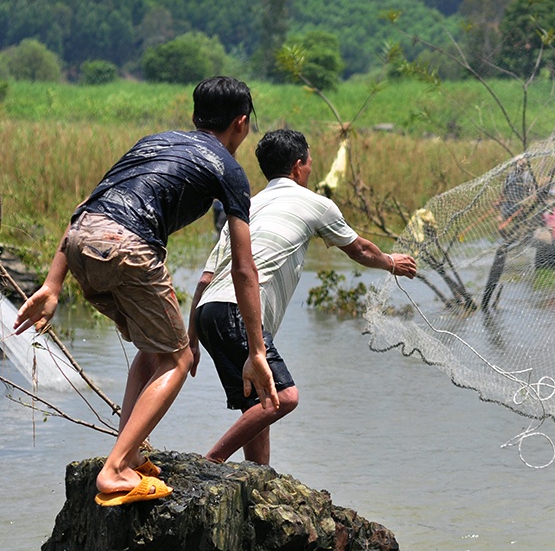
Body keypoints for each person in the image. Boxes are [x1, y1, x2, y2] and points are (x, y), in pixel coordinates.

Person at [13, 76, 277, 506]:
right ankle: (115, 469)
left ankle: (127, 453)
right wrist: (257, 351)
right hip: (128, 247)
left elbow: (89, 205)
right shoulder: (229, 170)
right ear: (242, 124)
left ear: (194, 117)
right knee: (179, 357)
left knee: (154, 351)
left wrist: (52, 283)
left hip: (81, 242)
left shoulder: (152, 141)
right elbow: (245, 269)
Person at [189, 129, 417, 465]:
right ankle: (210, 463)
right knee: (284, 396)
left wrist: (192, 340)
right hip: (237, 310)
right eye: (309, 163)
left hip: (208, 312)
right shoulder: (315, 204)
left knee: (259, 400)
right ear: (298, 167)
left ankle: (257, 476)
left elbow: (206, 278)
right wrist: (390, 262)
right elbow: (360, 249)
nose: (310, 169)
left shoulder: (245, 207)